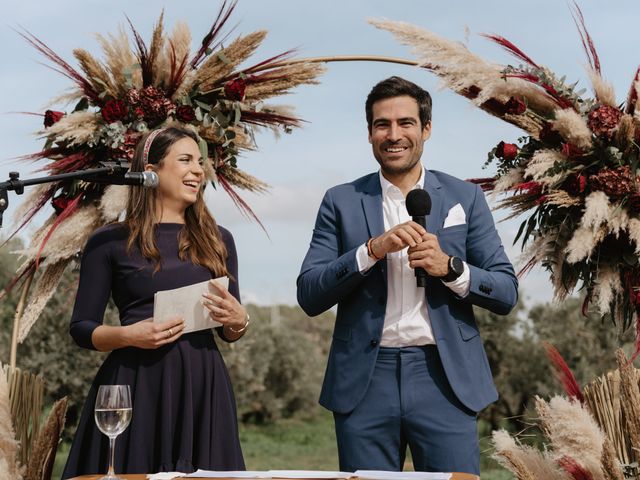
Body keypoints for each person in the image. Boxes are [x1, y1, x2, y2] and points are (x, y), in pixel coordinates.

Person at [297, 76, 518, 474]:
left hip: (445, 377)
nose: (393, 134)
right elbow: (310, 294)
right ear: (369, 134)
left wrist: (450, 268)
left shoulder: (464, 198)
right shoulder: (340, 200)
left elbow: (505, 291)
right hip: (365, 380)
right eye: (382, 124)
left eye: (406, 123)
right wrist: (370, 250)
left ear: (426, 129)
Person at [62, 126, 249, 478]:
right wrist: (130, 335)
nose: (198, 170)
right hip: (135, 386)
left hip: (202, 387)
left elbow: (230, 331)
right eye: (185, 160)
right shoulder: (109, 241)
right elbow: (81, 328)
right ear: (151, 169)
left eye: (200, 162)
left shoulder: (220, 239)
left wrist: (239, 319)